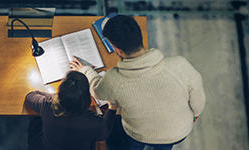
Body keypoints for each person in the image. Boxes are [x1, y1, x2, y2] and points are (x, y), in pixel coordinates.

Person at [70, 15, 205, 150]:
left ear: (118, 50)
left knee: (134, 144)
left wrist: (85, 70)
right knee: (165, 145)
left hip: (139, 135)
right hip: (179, 132)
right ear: (139, 36)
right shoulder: (180, 64)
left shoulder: (114, 79)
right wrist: (195, 114)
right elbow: (198, 100)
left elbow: (97, 92)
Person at [25, 71, 118, 150]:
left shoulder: (47, 105)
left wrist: (56, 97)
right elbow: (104, 134)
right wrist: (112, 107)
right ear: (88, 96)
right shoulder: (94, 122)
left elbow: (30, 96)